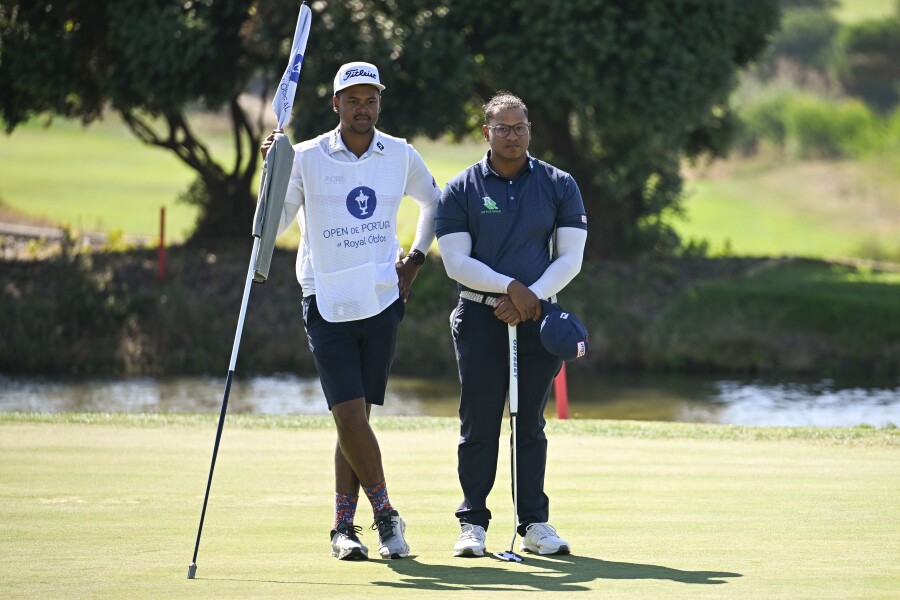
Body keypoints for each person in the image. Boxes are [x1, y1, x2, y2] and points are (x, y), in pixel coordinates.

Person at [260, 61, 440, 561]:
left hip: (382, 300)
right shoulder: (306, 157)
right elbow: (272, 228)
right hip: (326, 300)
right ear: (335, 103)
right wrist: (271, 175)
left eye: (371, 99)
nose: (363, 108)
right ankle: (385, 516)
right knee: (348, 413)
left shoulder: (399, 154)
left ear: (379, 103)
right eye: (353, 99)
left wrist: (416, 260)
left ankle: (343, 527)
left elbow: (434, 202)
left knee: (353, 418)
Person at [435, 91, 588, 557]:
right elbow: (456, 262)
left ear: (529, 130)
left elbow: (571, 258)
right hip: (480, 315)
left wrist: (529, 298)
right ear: (486, 132)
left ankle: (534, 523)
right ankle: (473, 523)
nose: (512, 135)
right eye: (502, 127)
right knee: (479, 420)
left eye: (519, 127)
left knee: (529, 423)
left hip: (537, 318)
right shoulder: (461, 188)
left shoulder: (559, 183)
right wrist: (509, 289)